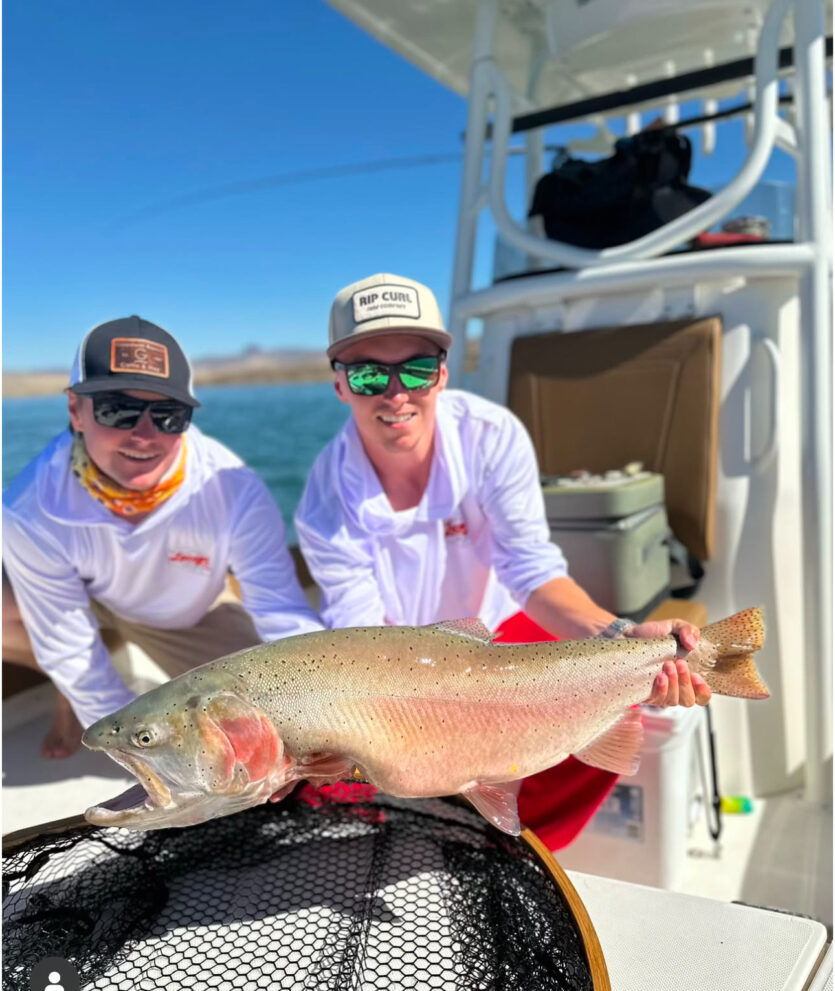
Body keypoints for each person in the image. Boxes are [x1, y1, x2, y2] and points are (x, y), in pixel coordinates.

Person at [294, 273, 710, 849]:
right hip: (386, 665)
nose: (395, 394)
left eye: (415, 369)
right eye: (368, 374)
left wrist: (621, 635)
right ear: (340, 386)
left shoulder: (490, 437)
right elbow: (359, 635)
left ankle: (521, 848)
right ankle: (453, 816)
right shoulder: (323, 500)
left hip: (494, 633)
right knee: (328, 782)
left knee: (608, 711)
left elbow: (531, 570)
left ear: (442, 372)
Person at [3, 315, 321, 758]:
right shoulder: (28, 507)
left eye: (170, 415)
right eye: (119, 410)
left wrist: (320, 700)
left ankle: (99, 672)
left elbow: (282, 612)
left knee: (268, 715)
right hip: (81, 594)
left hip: (182, 615)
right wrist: (140, 756)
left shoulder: (235, 488)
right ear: (76, 410)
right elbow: (66, 644)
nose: (145, 434)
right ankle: (75, 695)